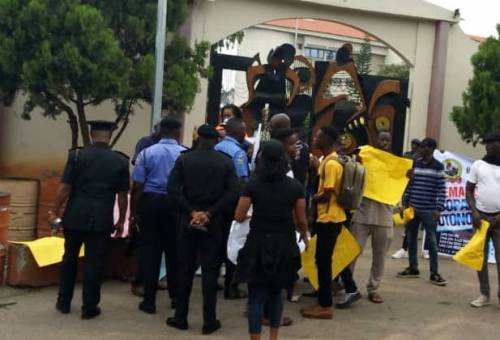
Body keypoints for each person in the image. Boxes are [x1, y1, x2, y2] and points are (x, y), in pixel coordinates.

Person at [50, 120, 129, 319]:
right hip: (101, 218)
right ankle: (89, 307)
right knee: (95, 263)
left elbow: (65, 187)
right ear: (109, 136)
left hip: (75, 215)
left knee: (69, 259)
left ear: (92, 134)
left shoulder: (76, 155)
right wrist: (120, 221)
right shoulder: (120, 161)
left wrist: (54, 211)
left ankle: (63, 302)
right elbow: (122, 194)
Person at [234, 140, 309, 340]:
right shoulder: (295, 186)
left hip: (258, 242)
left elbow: (239, 215)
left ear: (262, 159)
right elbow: (301, 219)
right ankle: (273, 337)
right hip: (283, 243)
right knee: (277, 294)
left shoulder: (253, 184)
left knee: (256, 296)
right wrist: (305, 236)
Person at [166, 124, 237, 335]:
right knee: (210, 270)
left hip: (187, 221)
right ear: (216, 140)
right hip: (212, 222)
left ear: (197, 137)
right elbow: (232, 192)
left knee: (185, 268)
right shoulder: (225, 162)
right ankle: (209, 320)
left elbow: (172, 189)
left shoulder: (184, 159)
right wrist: (210, 213)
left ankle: (181, 316)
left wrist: (191, 212)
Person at [129, 117, 185, 314]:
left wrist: (134, 212)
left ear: (160, 131)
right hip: (175, 204)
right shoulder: (185, 154)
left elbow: (138, 186)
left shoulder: (146, 153)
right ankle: (176, 298)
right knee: (174, 253)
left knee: (150, 252)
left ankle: (149, 300)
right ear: (178, 133)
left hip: (151, 203)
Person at [337, 131, 396, 308]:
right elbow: (349, 172)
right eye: (382, 139)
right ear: (375, 139)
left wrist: (407, 177)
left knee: (380, 256)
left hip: (385, 216)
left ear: (391, 142)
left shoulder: (395, 163)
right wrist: (358, 165)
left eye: (387, 140)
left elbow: (400, 185)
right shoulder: (363, 154)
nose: (384, 142)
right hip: (362, 213)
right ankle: (347, 285)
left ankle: (373, 288)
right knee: (352, 252)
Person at [301, 127, 347, 320]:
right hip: (328, 218)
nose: (315, 138)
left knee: (324, 261)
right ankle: (323, 300)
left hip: (330, 218)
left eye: (319, 136)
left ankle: (325, 305)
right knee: (322, 260)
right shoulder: (328, 161)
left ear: (327, 140)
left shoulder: (331, 164)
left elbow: (327, 193)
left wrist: (313, 198)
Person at [398, 138, 447, 286]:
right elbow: (410, 185)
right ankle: (413, 268)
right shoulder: (415, 163)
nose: (421, 149)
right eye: (421, 146)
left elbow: (441, 190)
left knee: (432, 242)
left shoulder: (438, 167)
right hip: (413, 208)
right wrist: (405, 203)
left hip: (429, 211)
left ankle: (434, 273)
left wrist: (438, 209)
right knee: (411, 238)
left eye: (424, 146)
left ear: (431, 149)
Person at [215, 117, 249, 299]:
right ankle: (231, 286)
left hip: (214, 204)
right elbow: (242, 181)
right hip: (231, 204)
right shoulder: (238, 153)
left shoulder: (216, 148)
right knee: (232, 244)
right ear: (240, 133)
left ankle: (213, 281)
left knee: (216, 243)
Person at [466, 132, 500, 307]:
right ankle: (484, 294)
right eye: (487, 143)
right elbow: (468, 190)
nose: (490, 145)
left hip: (499, 221)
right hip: (480, 219)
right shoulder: (478, 165)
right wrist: (474, 212)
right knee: (480, 258)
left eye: (493, 142)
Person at [269, 114, 310, 186]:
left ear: (281, 129)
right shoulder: (304, 147)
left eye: (271, 127)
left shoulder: (277, 147)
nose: (269, 129)